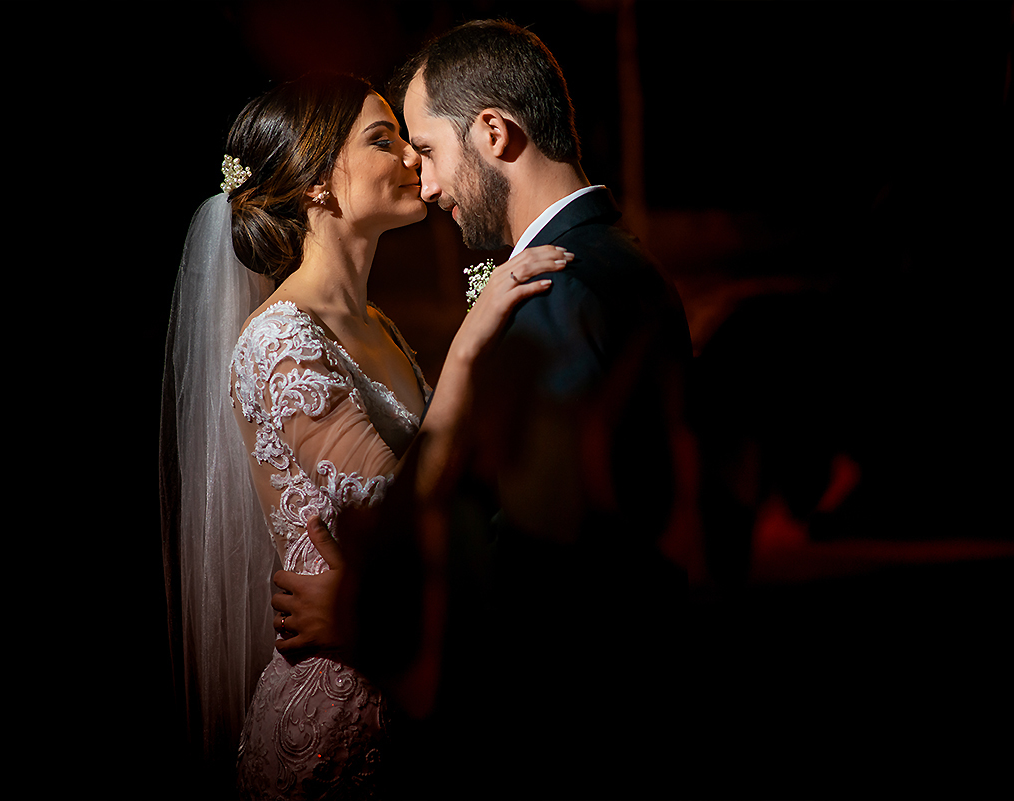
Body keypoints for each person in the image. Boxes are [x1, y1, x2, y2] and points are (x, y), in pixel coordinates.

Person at [274, 21, 695, 798]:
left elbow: (545, 580)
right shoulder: (622, 262)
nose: (424, 183)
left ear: (494, 132)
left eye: (429, 151)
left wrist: (371, 615)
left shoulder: (555, 291)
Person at [162, 71, 573, 800]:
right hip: (336, 722)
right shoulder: (279, 343)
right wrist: (470, 344)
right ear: (318, 186)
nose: (415, 159)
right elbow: (400, 515)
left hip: (409, 686)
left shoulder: (377, 326)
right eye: (384, 141)